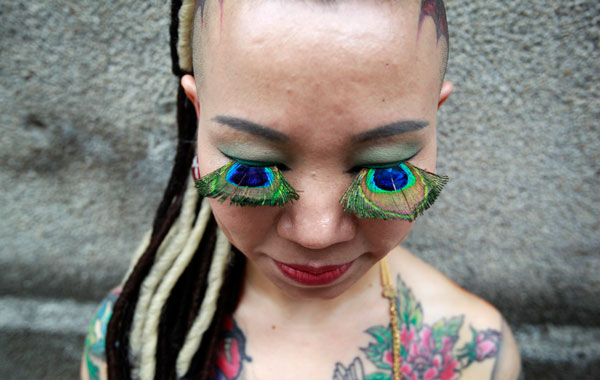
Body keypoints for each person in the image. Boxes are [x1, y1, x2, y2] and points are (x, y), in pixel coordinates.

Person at [82, 0, 521, 379]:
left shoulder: (476, 355)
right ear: (199, 117)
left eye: (386, 172)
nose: (318, 233)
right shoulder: (133, 340)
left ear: (435, 120)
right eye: (254, 169)